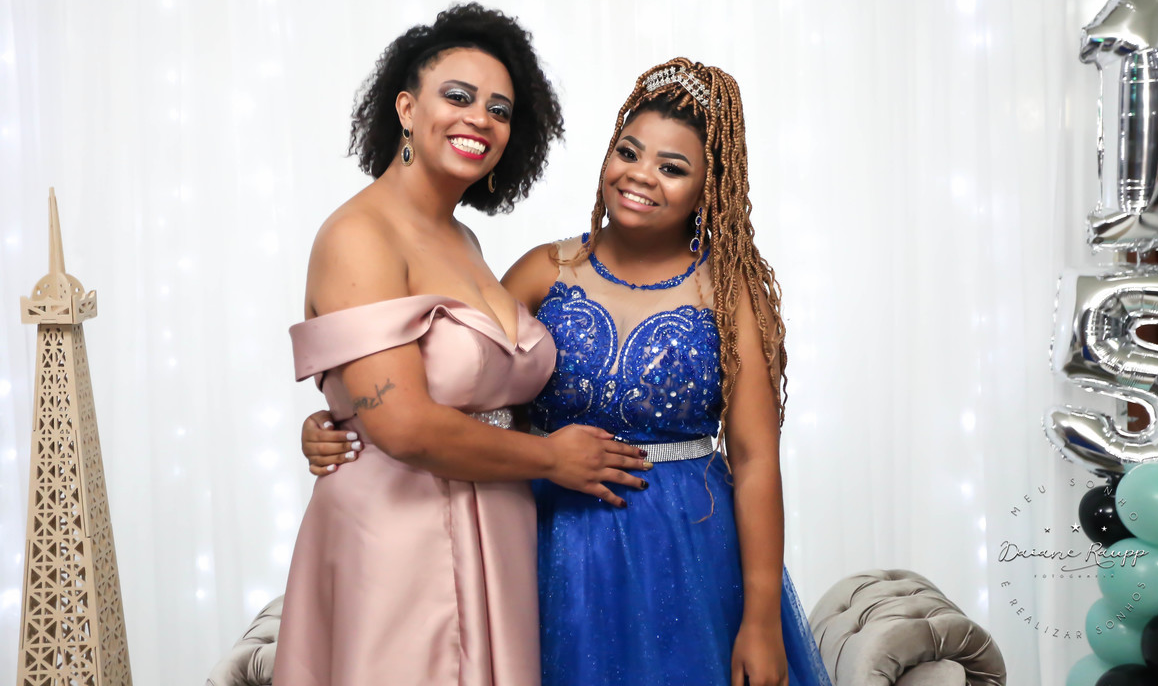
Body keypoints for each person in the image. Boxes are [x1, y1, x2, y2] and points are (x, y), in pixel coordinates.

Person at [303, 57, 832, 686]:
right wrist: (347, 418)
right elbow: (461, 379)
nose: (641, 175)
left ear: (708, 187)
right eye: (628, 152)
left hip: (685, 555)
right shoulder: (543, 271)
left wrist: (762, 619)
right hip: (549, 545)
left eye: (672, 168)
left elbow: (754, 458)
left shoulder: (732, 293)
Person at [275, 4, 649, 686]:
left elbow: (472, 388)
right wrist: (552, 459)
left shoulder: (463, 240)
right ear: (406, 108)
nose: (480, 118)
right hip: (402, 538)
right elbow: (404, 426)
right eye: (458, 96)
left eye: (499, 110)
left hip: (497, 524)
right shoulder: (359, 235)